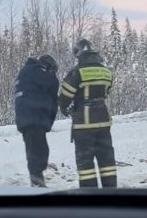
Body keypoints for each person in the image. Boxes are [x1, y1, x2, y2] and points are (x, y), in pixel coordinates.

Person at [59, 39, 117, 188]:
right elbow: (107, 91)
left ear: (78, 54)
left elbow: (65, 96)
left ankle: (89, 195)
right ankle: (110, 192)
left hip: (84, 123)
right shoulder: (106, 71)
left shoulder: (76, 72)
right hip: (104, 121)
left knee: (85, 163)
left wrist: (65, 109)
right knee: (107, 160)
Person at [14, 54, 60, 187]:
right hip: (34, 116)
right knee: (37, 150)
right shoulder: (39, 72)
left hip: (25, 117)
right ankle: (37, 181)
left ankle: (37, 177)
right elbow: (52, 86)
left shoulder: (26, 71)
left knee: (34, 148)